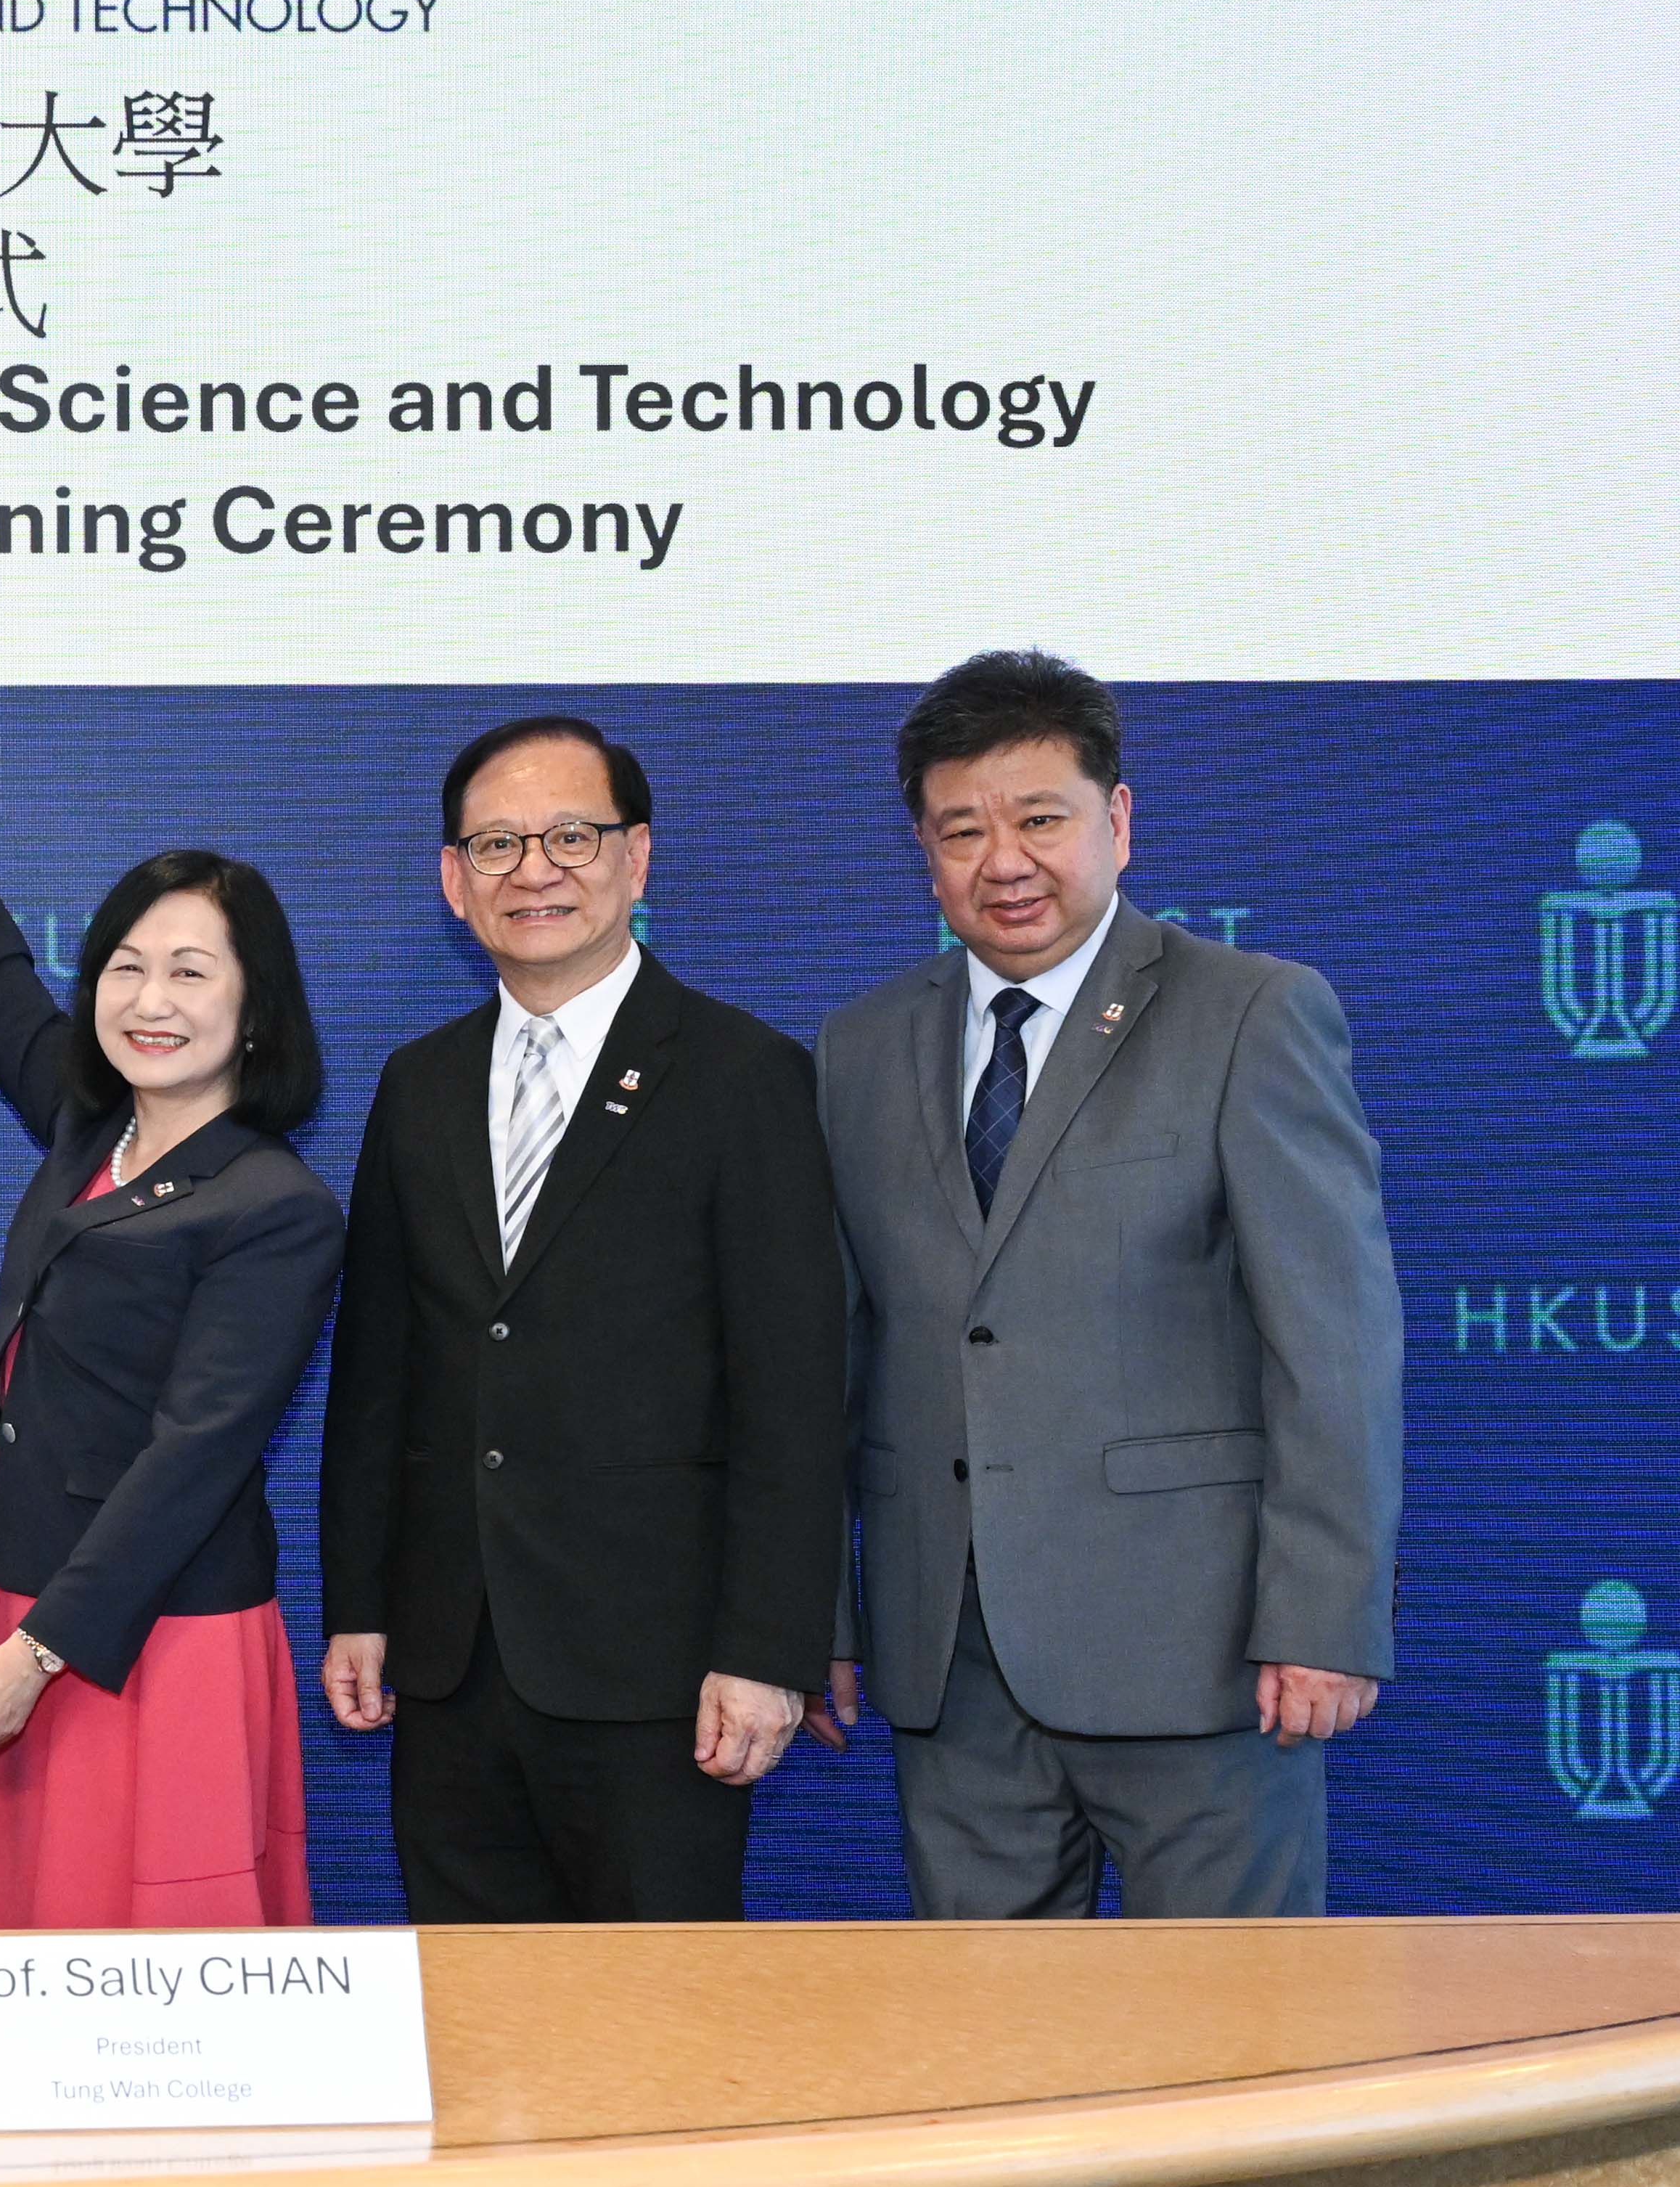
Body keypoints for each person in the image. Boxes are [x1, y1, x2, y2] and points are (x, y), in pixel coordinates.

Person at [811, 650, 1400, 1916]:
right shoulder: (860, 1047)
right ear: (923, 848)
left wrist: (1323, 1617)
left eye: (1040, 819)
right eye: (962, 829)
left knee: (1239, 2061)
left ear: (1118, 821)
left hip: (1201, 1656)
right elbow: (835, 1358)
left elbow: (1333, 1342)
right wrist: (825, 1614)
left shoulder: (1251, 1012)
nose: (1004, 861)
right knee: (992, 2064)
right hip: (950, 1659)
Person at [0, 661, 343, 1927]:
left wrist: (37, 1655)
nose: (151, 1001)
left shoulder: (277, 1208)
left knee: (143, 1951)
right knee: (9, 1929)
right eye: (127, 967)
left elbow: (194, 1457)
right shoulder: (82, 1126)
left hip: (144, 1627)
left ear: (256, 1010)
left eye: (194, 973)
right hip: (12, 1571)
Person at [320, 716, 848, 1919]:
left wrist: (768, 1649)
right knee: (471, 2032)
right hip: (449, 1661)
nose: (535, 870)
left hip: (660, 1670)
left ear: (637, 857)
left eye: (572, 835)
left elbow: (796, 1392)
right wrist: (360, 1604)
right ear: (454, 881)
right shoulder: (419, 1083)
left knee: (657, 2040)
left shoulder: (741, 1074)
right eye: (497, 844)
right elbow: (379, 1373)